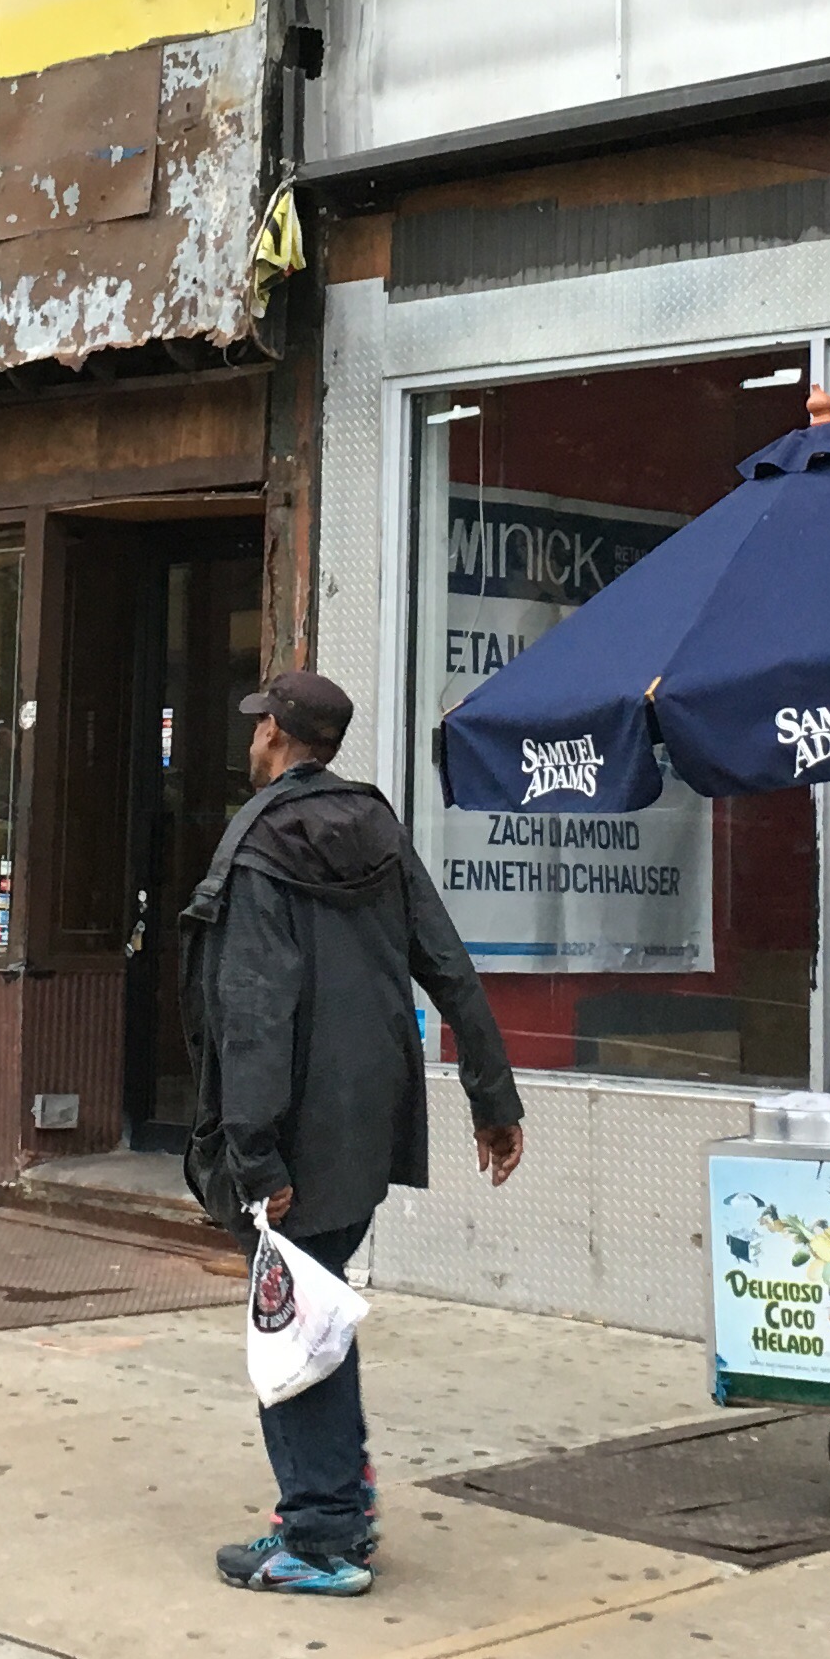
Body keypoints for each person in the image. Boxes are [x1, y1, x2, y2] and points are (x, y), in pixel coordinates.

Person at [184, 668, 523, 1599]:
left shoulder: (257, 846)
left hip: (291, 1138)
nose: (252, 737)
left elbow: (253, 1014)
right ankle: (343, 1496)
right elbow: (449, 965)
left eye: (259, 725)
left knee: (291, 1327)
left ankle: (324, 1535)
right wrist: (494, 1099)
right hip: (370, 1124)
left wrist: (255, 1155)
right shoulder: (377, 828)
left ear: (276, 736)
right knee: (319, 1308)